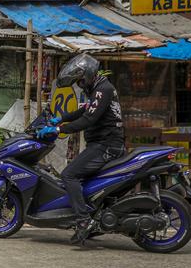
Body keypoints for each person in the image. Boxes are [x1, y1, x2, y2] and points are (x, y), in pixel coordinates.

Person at [37, 53, 125, 244]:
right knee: (80, 180)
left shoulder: (103, 89)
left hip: (107, 145)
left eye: (79, 80)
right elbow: (85, 109)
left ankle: (84, 221)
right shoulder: (98, 88)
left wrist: (58, 129)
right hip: (102, 144)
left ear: (88, 75)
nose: (79, 84)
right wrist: (61, 118)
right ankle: (91, 218)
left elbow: (88, 119)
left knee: (69, 175)